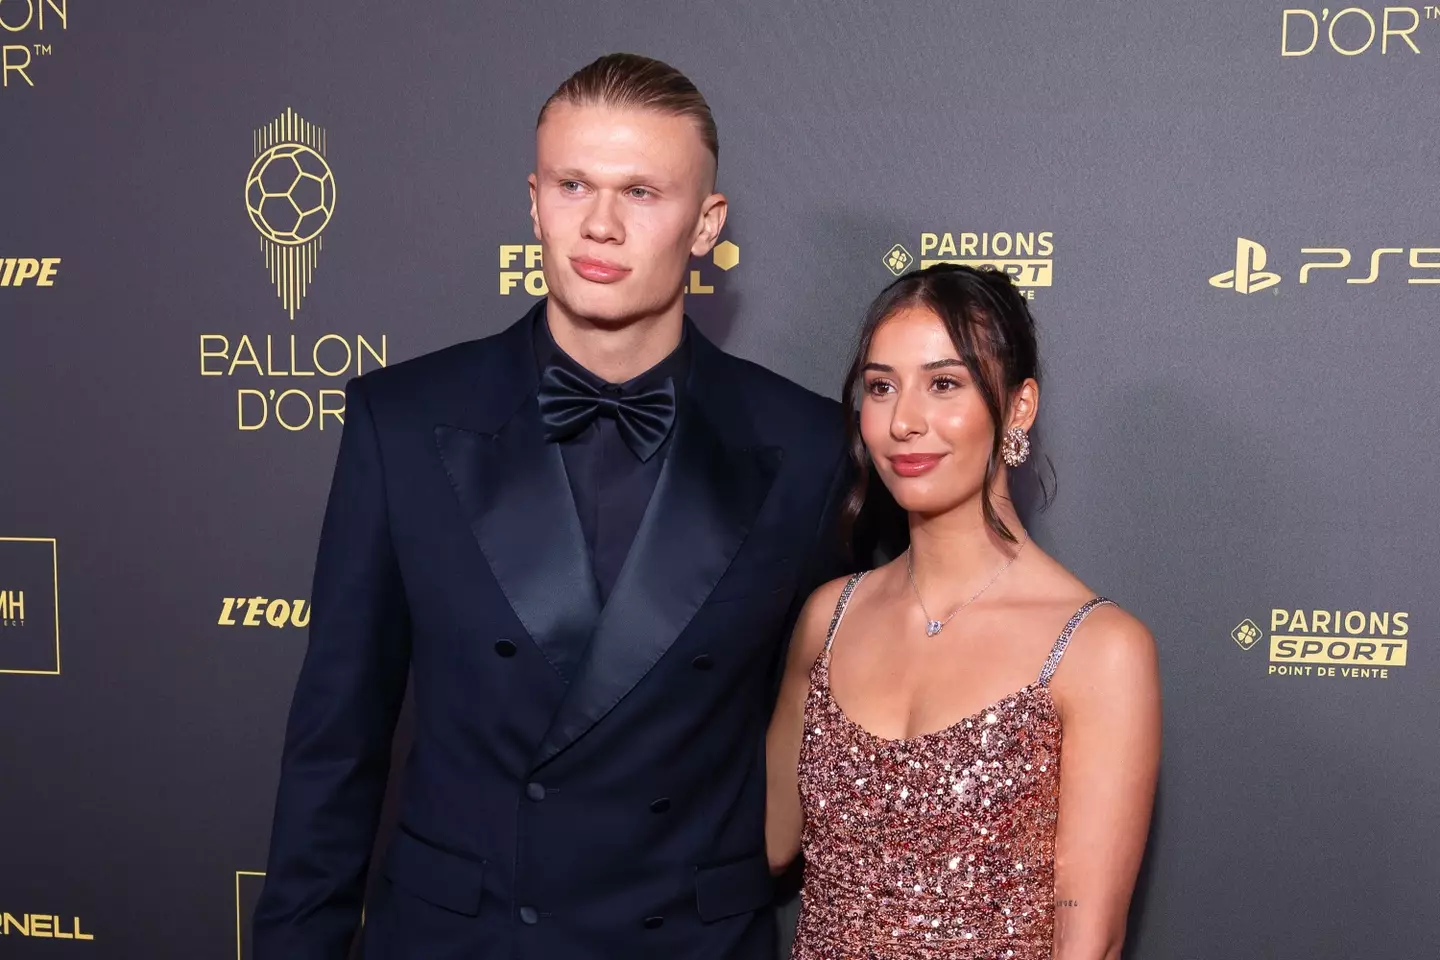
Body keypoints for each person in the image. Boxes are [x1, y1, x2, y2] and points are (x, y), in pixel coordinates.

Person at [253, 53, 853, 960]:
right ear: (534, 200)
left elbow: (834, 742)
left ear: (706, 224)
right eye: (574, 184)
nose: (601, 226)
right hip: (462, 940)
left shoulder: (807, 445)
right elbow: (336, 747)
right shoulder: (404, 422)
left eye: (643, 193)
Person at [767, 264, 1161, 960]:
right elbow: (768, 843)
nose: (904, 421)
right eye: (881, 387)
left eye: (944, 384)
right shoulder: (828, 619)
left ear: (1018, 407)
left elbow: (1088, 941)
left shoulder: (1099, 647)